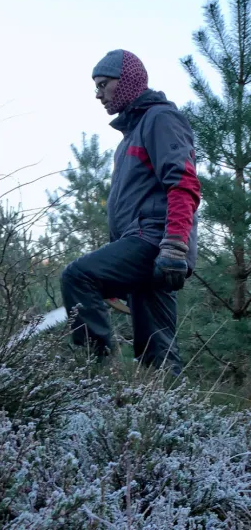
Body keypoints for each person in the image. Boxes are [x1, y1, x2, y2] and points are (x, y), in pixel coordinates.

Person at [60, 49, 200, 374]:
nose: (97, 94)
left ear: (126, 82)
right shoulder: (129, 138)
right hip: (152, 249)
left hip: (155, 242)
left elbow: (184, 184)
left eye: (103, 84)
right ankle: (172, 415)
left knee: (78, 276)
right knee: (157, 355)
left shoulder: (160, 119)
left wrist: (175, 244)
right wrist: (117, 279)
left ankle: (95, 378)